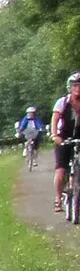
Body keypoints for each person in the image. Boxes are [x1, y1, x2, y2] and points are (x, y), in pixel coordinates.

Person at [53, 77, 80, 216]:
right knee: (61, 170)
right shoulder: (62, 102)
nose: (78, 88)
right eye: (75, 85)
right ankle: (58, 198)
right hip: (64, 137)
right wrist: (54, 135)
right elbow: (55, 118)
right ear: (69, 87)